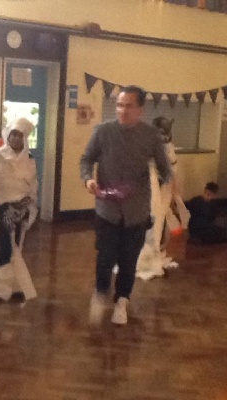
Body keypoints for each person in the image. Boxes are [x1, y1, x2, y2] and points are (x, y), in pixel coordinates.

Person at [80, 85, 171, 326]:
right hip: (107, 209)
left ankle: (122, 301)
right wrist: (88, 179)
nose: (123, 110)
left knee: (129, 261)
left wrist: (159, 184)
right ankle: (101, 293)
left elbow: (165, 169)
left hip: (137, 211)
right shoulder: (103, 131)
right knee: (105, 258)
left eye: (129, 106)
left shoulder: (151, 136)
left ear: (140, 109)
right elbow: (86, 159)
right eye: (120, 105)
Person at [0, 118, 38, 303]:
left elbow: (32, 184)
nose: (16, 138)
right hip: (6, 208)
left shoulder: (29, 158)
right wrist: (15, 199)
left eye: (20, 135)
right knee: (7, 246)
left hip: (24, 208)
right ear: (8, 135)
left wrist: (26, 201)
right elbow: (0, 183)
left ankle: (14, 286)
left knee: (18, 246)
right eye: (13, 134)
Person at [136, 116, 190, 280]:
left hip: (161, 189)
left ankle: (153, 252)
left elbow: (171, 168)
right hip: (149, 190)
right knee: (149, 223)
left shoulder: (167, 147)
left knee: (158, 223)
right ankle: (143, 258)